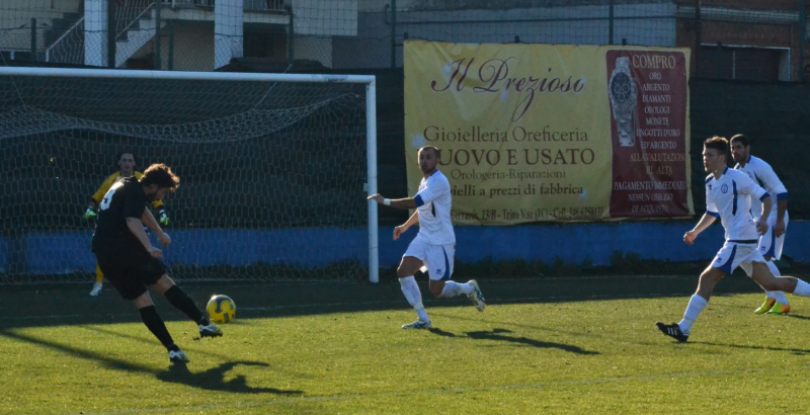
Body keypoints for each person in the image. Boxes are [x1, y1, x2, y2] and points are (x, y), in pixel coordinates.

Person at [656, 137, 810, 343]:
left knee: (707, 278)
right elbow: (712, 213)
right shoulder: (710, 182)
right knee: (772, 282)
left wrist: (764, 219)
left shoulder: (738, 177)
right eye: (703, 155)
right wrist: (695, 232)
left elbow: (766, 197)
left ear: (721, 158)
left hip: (740, 241)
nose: (705, 159)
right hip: (741, 241)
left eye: (709, 155)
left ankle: (683, 328)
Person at [91, 163, 221, 363]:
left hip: (105, 255)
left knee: (143, 301)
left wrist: (160, 233)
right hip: (125, 250)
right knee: (164, 283)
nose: (163, 196)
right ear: (153, 186)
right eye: (163, 191)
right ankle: (203, 323)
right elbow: (132, 220)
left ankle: (173, 350)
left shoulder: (127, 185)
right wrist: (149, 247)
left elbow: (141, 211)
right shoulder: (135, 191)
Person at [367, 146, 486, 329]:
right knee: (403, 271)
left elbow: (415, 202)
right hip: (424, 238)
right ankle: (423, 319)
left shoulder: (439, 181)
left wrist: (385, 201)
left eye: (428, 157)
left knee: (437, 291)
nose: (424, 161)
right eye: (421, 157)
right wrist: (405, 226)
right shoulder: (425, 181)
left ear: (438, 160)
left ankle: (469, 288)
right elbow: (421, 209)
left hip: (442, 243)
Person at [85, 152, 170, 296]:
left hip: (134, 221)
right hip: (115, 225)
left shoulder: (140, 178)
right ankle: (98, 283)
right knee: (106, 251)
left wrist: (161, 212)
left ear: (134, 163)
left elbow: (156, 197)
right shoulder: (112, 180)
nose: (126, 163)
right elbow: (97, 196)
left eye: (130, 160)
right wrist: (90, 209)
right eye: (123, 160)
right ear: (119, 163)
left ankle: (149, 281)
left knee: (143, 250)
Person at [730, 134, 790, 315]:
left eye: (739, 147)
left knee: (762, 259)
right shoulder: (736, 170)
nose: (735, 151)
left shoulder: (760, 167)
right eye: (733, 148)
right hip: (758, 220)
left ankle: (782, 302)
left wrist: (779, 220)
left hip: (772, 217)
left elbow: (782, 192)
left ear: (748, 149)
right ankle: (771, 297)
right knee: (749, 259)